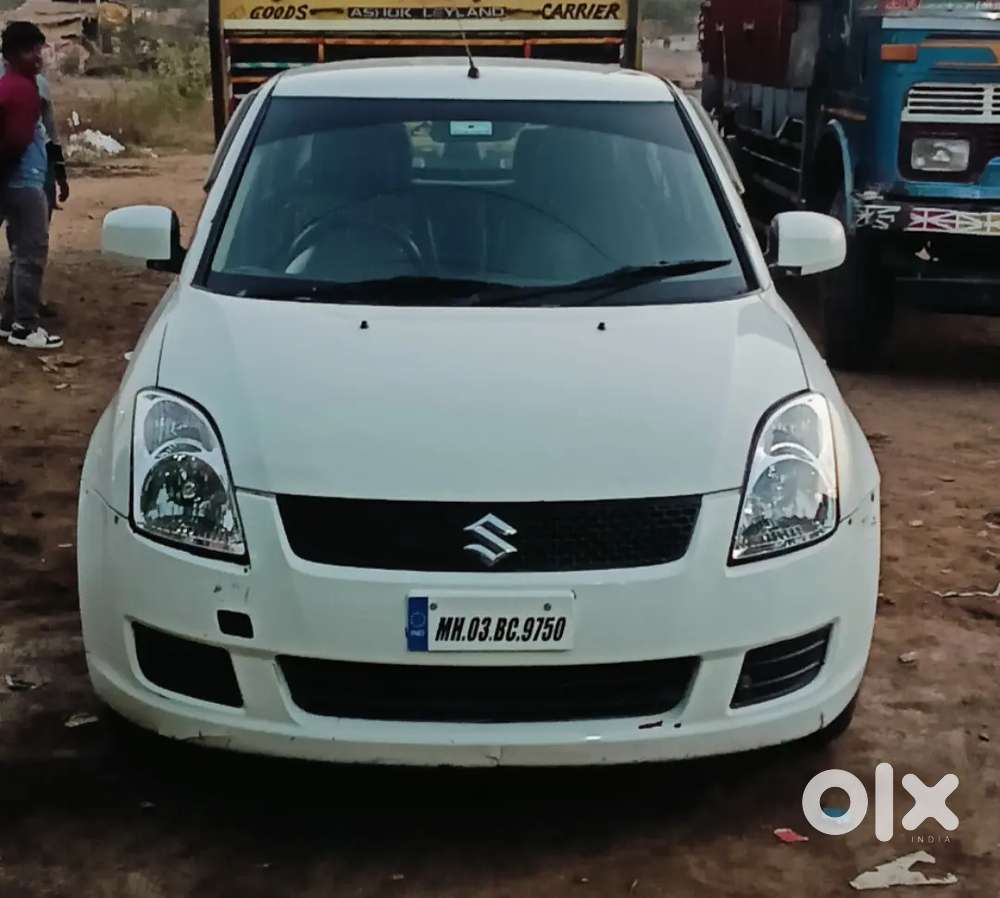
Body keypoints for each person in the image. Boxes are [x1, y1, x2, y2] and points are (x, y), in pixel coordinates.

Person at [0, 21, 62, 349]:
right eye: (30, 50)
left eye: (39, 48)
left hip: (17, 181)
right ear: (11, 54)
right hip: (24, 182)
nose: (38, 56)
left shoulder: (8, 85)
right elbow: (16, 140)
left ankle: (9, 319)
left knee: (20, 254)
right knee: (31, 255)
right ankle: (25, 326)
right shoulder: (24, 89)